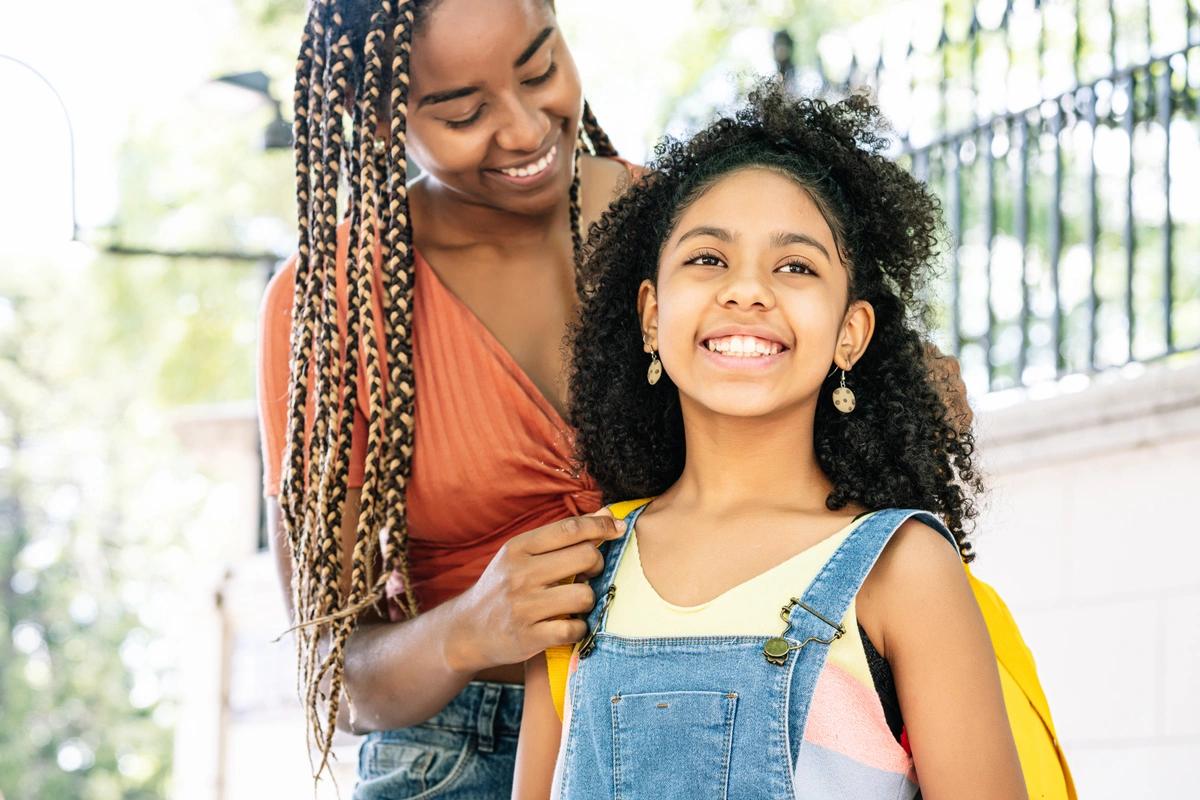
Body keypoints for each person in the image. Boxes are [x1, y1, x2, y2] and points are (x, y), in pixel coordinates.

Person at [513, 85, 1028, 799]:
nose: (748, 290)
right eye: (707, 259)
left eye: (796, 266)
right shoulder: (581, 570)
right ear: (651, 317)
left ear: (851, 333)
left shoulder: (905, 572)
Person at [257, 0, 635, 794]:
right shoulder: (334, 304)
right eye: (464, 112)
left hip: (708, 718)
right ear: (380, 116)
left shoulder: (686, 227)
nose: (528, 129)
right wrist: (466, 629)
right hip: (460, 753)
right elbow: (338, 675)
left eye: (540, 70)